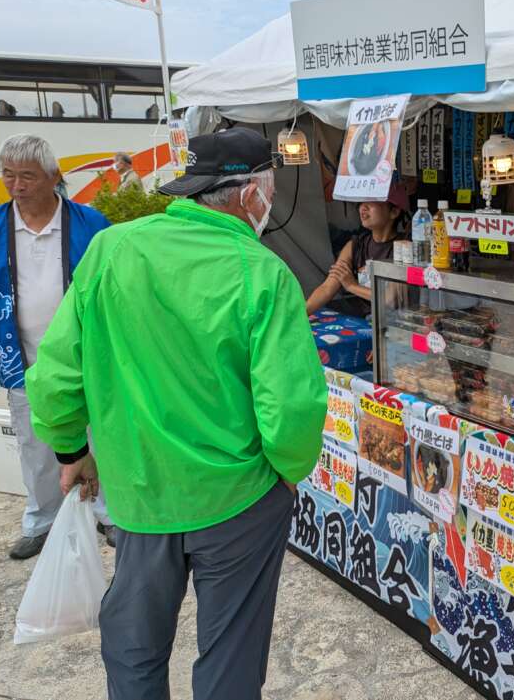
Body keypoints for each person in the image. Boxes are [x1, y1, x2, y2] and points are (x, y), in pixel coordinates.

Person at [25, 127, 326, 700]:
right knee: (231, 653)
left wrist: (71, 450)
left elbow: (56, 374)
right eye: (269, 190)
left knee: (134, 647)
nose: (269, 203)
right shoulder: (263, 273)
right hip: (238, 499)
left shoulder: (111, 250)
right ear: (249, 195)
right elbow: (291, 407)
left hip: (140, 493)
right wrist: (289, 471)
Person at [0, 134, 115, 559]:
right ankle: (42, 520)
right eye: (8, 175)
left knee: (100, 436)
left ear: (53, 175)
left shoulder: (90, 224)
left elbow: (115, 287)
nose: (16, 185)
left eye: (27, 176)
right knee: (34, 444)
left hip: (87, 356)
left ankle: (110, 514)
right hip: (21, 355)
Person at [306, 177, 409, 317]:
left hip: (395, 324)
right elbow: (327, 288)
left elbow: (389, 300)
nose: (363, 207)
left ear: (394, 212)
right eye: (361, 202)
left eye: (372, 201)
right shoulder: (354, 245)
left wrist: (351, 286)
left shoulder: (405, 248)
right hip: (365, 322)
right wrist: (300, 315)